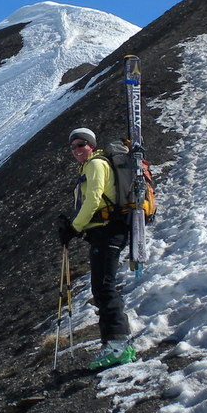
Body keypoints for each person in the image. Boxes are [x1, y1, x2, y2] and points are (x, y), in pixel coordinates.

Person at [57, 127, 137, 369]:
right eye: (73, 146)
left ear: (91, 145)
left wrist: (74, 227)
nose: (77, 150)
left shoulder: (95, 164)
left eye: (81, 144)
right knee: (103, 286)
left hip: (109, 231)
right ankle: (116, 343)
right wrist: (78, 228)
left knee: (103, 287)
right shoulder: (91, 165)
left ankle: (117, 346)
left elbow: (93, 198)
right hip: (105, 231)